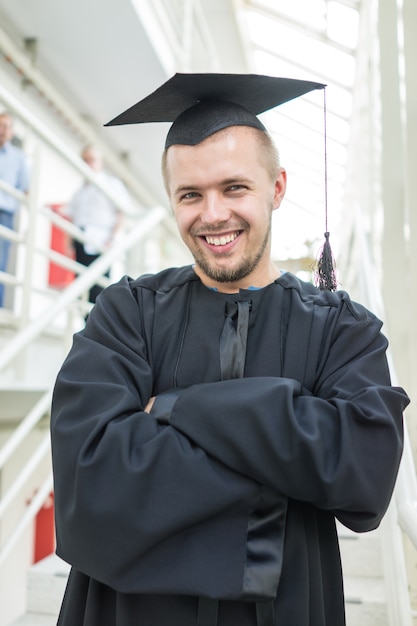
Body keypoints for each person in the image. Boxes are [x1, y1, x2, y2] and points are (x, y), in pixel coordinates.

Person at [50, 74, 409, 626]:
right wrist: (284, 468)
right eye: (190, 194)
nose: (213, 214)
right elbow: (91, 478)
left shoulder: (341, 328)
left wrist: (173, 410)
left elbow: (363, 475)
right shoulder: (126, 313)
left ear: (278, 187)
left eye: (234, 187)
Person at [67, 144, 130, 303]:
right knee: (80, 286)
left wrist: (112, 237)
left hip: (101, 242)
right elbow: (73, 218)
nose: (89, 164)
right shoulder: (78, 193)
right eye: (85, 160)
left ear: (100, 162)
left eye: (92, 160)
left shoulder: (112, 184)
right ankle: (85, 323)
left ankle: (96, 325)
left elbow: (122, 212)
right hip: (80, 241)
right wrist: (69, 244)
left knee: (98, 288)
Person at [0, 112, 30, 307]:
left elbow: (25, 190)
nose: (2, 130)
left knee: (0, 264)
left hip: (5, 214)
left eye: (6, 126)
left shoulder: (19, 158)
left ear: (12, 132)